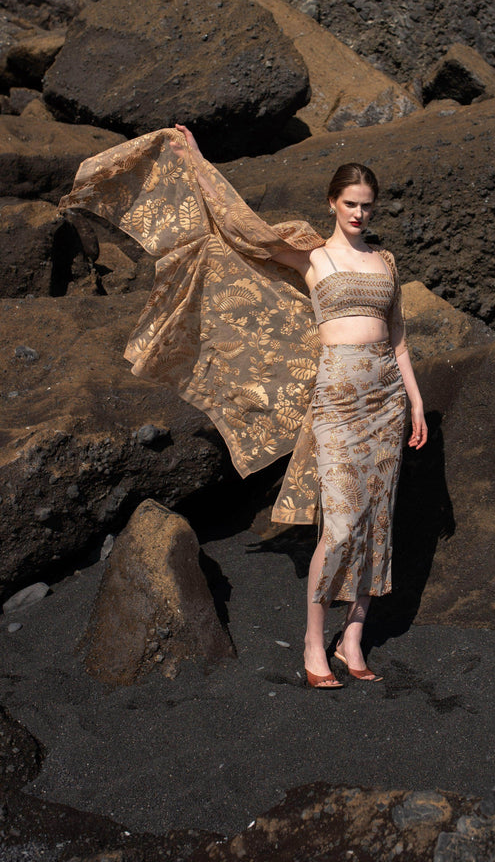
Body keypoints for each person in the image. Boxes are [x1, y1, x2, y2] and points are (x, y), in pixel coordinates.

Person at [59, 122, 427, 690]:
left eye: (367, 206)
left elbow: (398, 338)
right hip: (336, 398)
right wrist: (196, 161)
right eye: (351, 203)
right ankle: (314, 640)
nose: (359, 214)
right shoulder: (312, 258)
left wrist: (417, 404)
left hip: (386, 399)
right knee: (340, 524)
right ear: (332, 203)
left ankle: (353, 637)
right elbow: (239, 231)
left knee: (377, 518)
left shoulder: (386, 263)